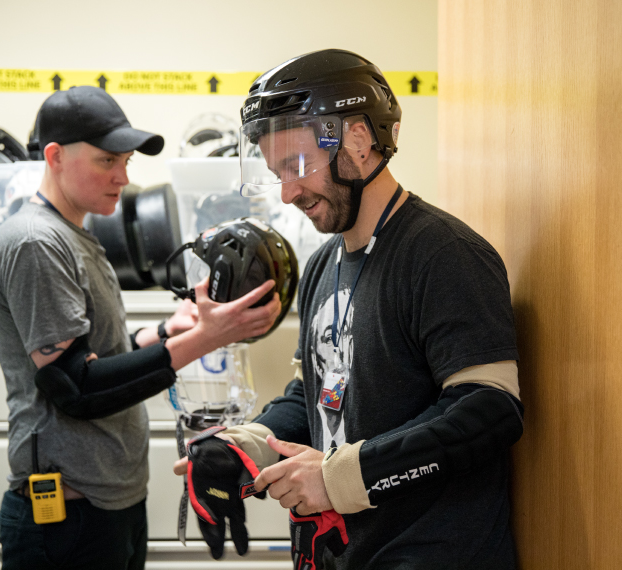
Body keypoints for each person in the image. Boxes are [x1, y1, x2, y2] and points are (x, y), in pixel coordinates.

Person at [175, 49, 524, 569]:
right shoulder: (323, 264)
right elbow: (313, 392)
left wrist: (338, 479)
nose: (289, 191)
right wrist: (246, 446)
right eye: (277, 172)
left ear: (359, 141)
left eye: (297, 166)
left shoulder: (443, 254)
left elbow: (488, 412)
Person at [0, 85, 281, 570]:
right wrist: (208, 338)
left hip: (110, 500)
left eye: (126, 162)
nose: (123, 177)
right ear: (55, 156)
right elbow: (76, 386)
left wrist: (170, 332)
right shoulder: (37, 243)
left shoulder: (77, 233)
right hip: (66, 518)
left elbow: (102, 351)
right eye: (107, 161)